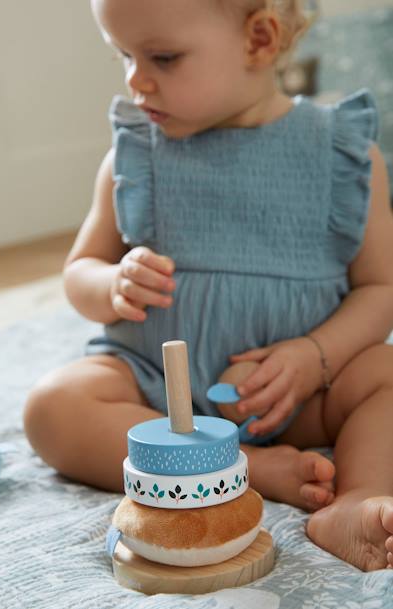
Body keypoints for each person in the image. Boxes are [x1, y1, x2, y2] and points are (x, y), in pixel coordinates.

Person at [23, 0, 393, 571]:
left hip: (295, 399)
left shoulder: (344, 156)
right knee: (54, 406)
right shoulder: (136, 156)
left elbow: (380, 290)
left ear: (259, 40)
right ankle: (245, 466)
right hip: (152, 394)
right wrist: (114, 281)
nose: (135, 78)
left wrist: (316, 355)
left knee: (384, 376)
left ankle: (355, 499)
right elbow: (79, 274)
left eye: (162, 58)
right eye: (124, 55)